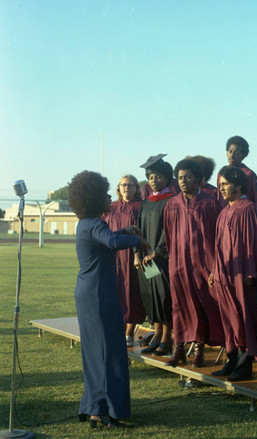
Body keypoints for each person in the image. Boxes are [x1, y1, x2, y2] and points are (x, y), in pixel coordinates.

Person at [68, 170, 148, 429]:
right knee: (107, 350)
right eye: (104, 195)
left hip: (88, 292)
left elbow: (107, 238)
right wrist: (137, 239)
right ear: (92, 200)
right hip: (99, 294)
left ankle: (91, 405)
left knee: (94, 351)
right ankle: (102, 411)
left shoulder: (85, 224)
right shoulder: (96, 225)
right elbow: (112, 241)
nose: (108, 198)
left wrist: (126, 229)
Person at [163, 159, 224, 367]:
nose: (183, 181)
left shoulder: (210, 203)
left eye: (188, 177)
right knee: (178, 306)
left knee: (200, 305)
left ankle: (199, 350)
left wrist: (214, 266)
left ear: (198, 179)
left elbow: (217, 236)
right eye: (180, 177)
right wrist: (173, 261)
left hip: (203, 263)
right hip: (178, 263)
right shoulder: (171, 204)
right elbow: (169, 236)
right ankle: (178, 348)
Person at [209, 166, 257, 381]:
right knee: (228, 318)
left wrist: (250, 273)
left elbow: (254, 242)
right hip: (223, 273)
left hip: (241, 273)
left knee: (243, 317)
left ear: (238, 185)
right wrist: (214, 269)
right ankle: (231, 359)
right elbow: (217, 245)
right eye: (220, 184)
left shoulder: (249, 208)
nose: (221, 188)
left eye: (225, 184)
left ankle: (244, 364)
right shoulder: (224, 210)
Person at [134, 155, 175, 356]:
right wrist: (137, 253)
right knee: (152, 296)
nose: (154, 181)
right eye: (150, 177)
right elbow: (138, 230)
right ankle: (157, 334)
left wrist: (156, 253)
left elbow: (169, 231)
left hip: (162, 260)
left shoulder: (171, 201)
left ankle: (167, 337)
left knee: (164, 296)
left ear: (167, 178)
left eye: (158, 177)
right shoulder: (146, 202)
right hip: (147, 260)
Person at [104, 175, 146, 346]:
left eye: (130, 185)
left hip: (132, 256)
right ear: (118, 188)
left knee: (131, 293)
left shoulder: (141, 207)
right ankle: (117, 329)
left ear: (136, 188)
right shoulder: (110, 207)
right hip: (113, 257)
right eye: (123, 185)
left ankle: (129, 332)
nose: (126, 188)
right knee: (114, 293)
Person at [216, 136, 257, 209]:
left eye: (236, 152)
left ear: (243, 155)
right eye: (230, 151)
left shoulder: (249, 174)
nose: (232, 156)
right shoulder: (221, 174)